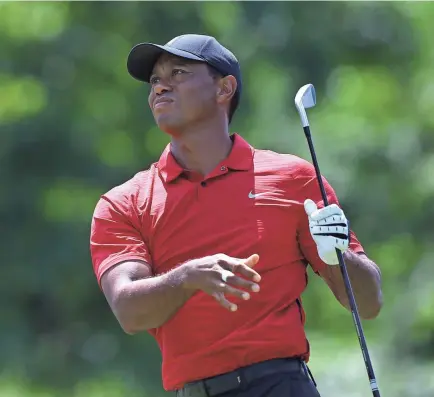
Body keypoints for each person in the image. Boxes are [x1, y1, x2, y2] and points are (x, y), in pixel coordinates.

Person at [90, 34, 383, 397]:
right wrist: (187, 277)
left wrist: (337, 254)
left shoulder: (294, 179)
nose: (160, 87)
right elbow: (129, 310)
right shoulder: (124, 203)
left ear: (224, 88)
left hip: (282, 386)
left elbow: (369, 302)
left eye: (178, 72)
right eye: (154, 80)